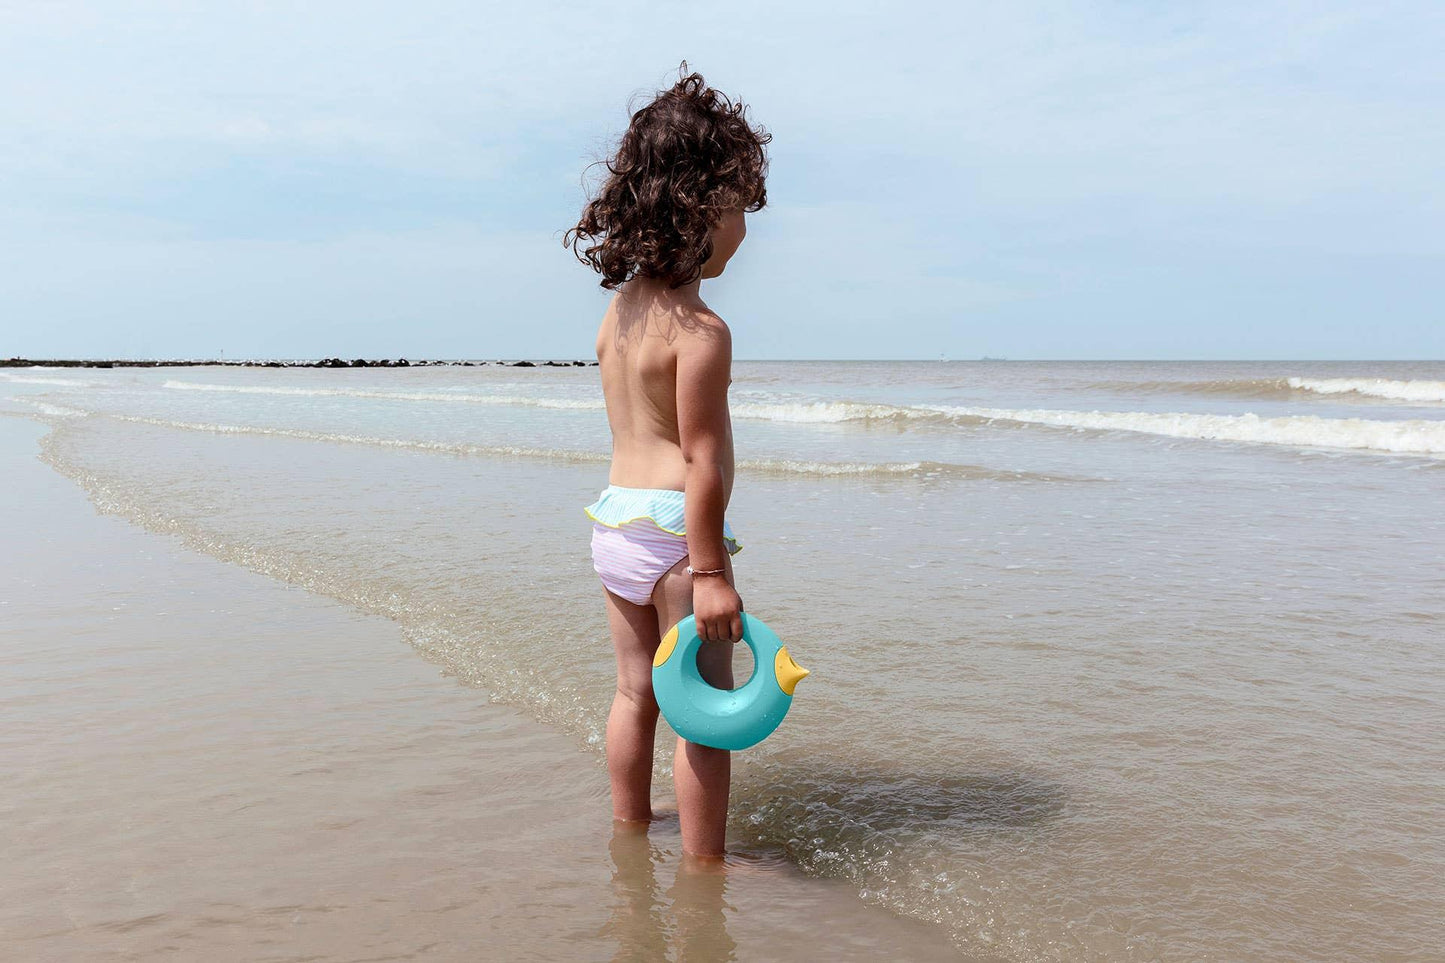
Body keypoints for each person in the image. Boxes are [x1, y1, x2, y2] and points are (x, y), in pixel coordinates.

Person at [564, 66, 770, 858]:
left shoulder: (620, 313)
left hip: (614, 522)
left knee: (633, 691)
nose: (745, 229)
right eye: (739, 208)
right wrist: (711, 571)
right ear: (700, 209)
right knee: (703, 710)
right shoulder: (700, 329)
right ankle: (703, 867)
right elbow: (702, 457)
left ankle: (628, 828)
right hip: (676, 542)